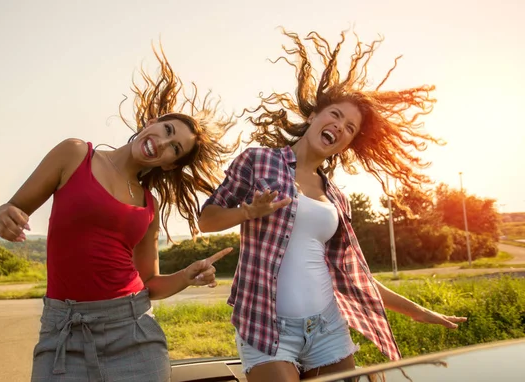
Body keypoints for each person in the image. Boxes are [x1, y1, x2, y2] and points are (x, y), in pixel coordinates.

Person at [199, 29, 467, 382]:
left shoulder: (336, 199)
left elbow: (355, 277)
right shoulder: (258, 161)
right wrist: (247, 212)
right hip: (266, 325)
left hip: (328, 327)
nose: (340, 127)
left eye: (350, 128)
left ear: (347, 145)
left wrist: (415, 310)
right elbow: (207, 220)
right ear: (314, 117)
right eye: (336, 115)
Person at [0, 45, 239, 382]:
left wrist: (187, 274)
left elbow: (149, 282)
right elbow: (14, 207)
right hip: (63, 330)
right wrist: (5, 215)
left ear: (170, 164)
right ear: (152, 122)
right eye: (167, 131)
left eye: (175, 149)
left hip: (133, 331)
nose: (163, 144)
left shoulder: (147, 207)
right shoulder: (75, 154)